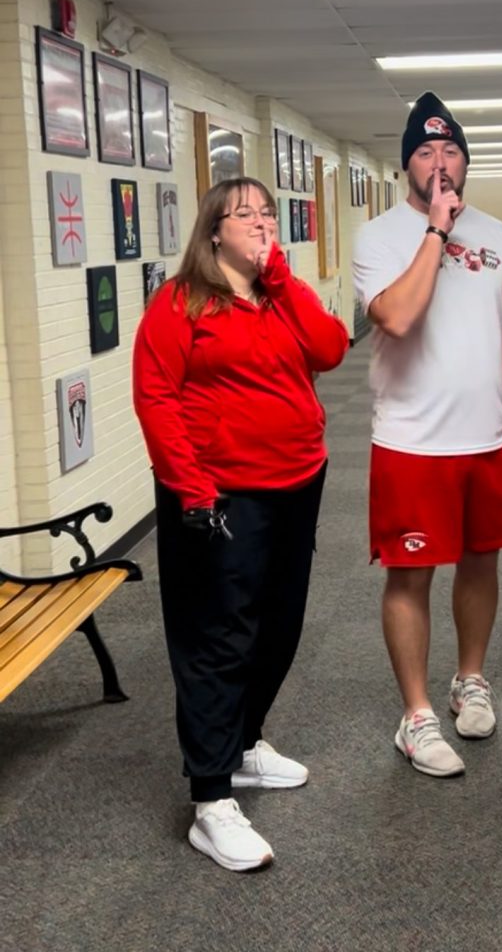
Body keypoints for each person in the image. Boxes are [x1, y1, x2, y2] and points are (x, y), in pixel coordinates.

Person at [133, 176, 349, 870]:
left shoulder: (282, 295)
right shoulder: (179, 303)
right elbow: (156, 396)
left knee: (279, 624)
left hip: (297, 481)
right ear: (213, 231)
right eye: (241, 214)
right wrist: (192, 490)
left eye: (264, 212)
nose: (258, 222)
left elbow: (330, 349)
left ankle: (246, 741)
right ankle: (211, 798)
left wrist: (283, 279)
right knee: (217, 636)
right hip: (220, 494)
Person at [352, 92, 502, 779]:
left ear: (467, 160)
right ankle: (415, 715)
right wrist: (435, 231)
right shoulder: (378, 236)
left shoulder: (498, 237)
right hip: (410, 440)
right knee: (410, 576)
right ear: (407, 164)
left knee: (481, 560)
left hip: (491, 438)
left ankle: (470, 679)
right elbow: (397, 319)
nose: (440, 162)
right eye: (426, 152)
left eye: (451, 150)